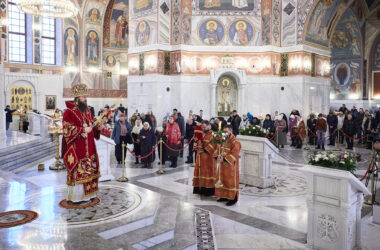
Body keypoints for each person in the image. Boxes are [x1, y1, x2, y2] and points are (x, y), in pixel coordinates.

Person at [62, 83, 104, 204]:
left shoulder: (87, 110)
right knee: (80, 170)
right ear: (77, 98)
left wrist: (98, 125)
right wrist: (82, 130)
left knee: (90, 170)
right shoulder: (69, 112)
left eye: (86, 96)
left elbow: (92, 123)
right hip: (77, 148)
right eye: (83, 96)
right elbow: (66, 129)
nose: (86, 98)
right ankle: (77, 197)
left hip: (89, 147)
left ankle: (89, 195)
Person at [214, 125, 241, 206]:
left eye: (226, 131)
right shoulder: (223, 139)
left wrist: (225, 159)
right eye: (223, 131)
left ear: (231, 131)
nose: (224, 133)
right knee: (222, 180)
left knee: (230, 182)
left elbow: (235, 154)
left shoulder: (235, 142)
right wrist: (217, 156)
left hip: (230, 166)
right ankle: (224, 196)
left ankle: (233, 199)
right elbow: (218, 148)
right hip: (222, 165)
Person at [193, 120, 217, 196]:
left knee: (208, 173)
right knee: (199, 172)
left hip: (209, 158)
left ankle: (208, 191)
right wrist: (196, 146)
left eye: (205, 126)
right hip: (199, 157)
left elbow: (214, 144)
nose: (203, 128)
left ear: (209, 126)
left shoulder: (213, 134)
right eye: (202, 127)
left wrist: (204, 149)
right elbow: (196, 140)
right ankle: (199, 189)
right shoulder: (200, 133)